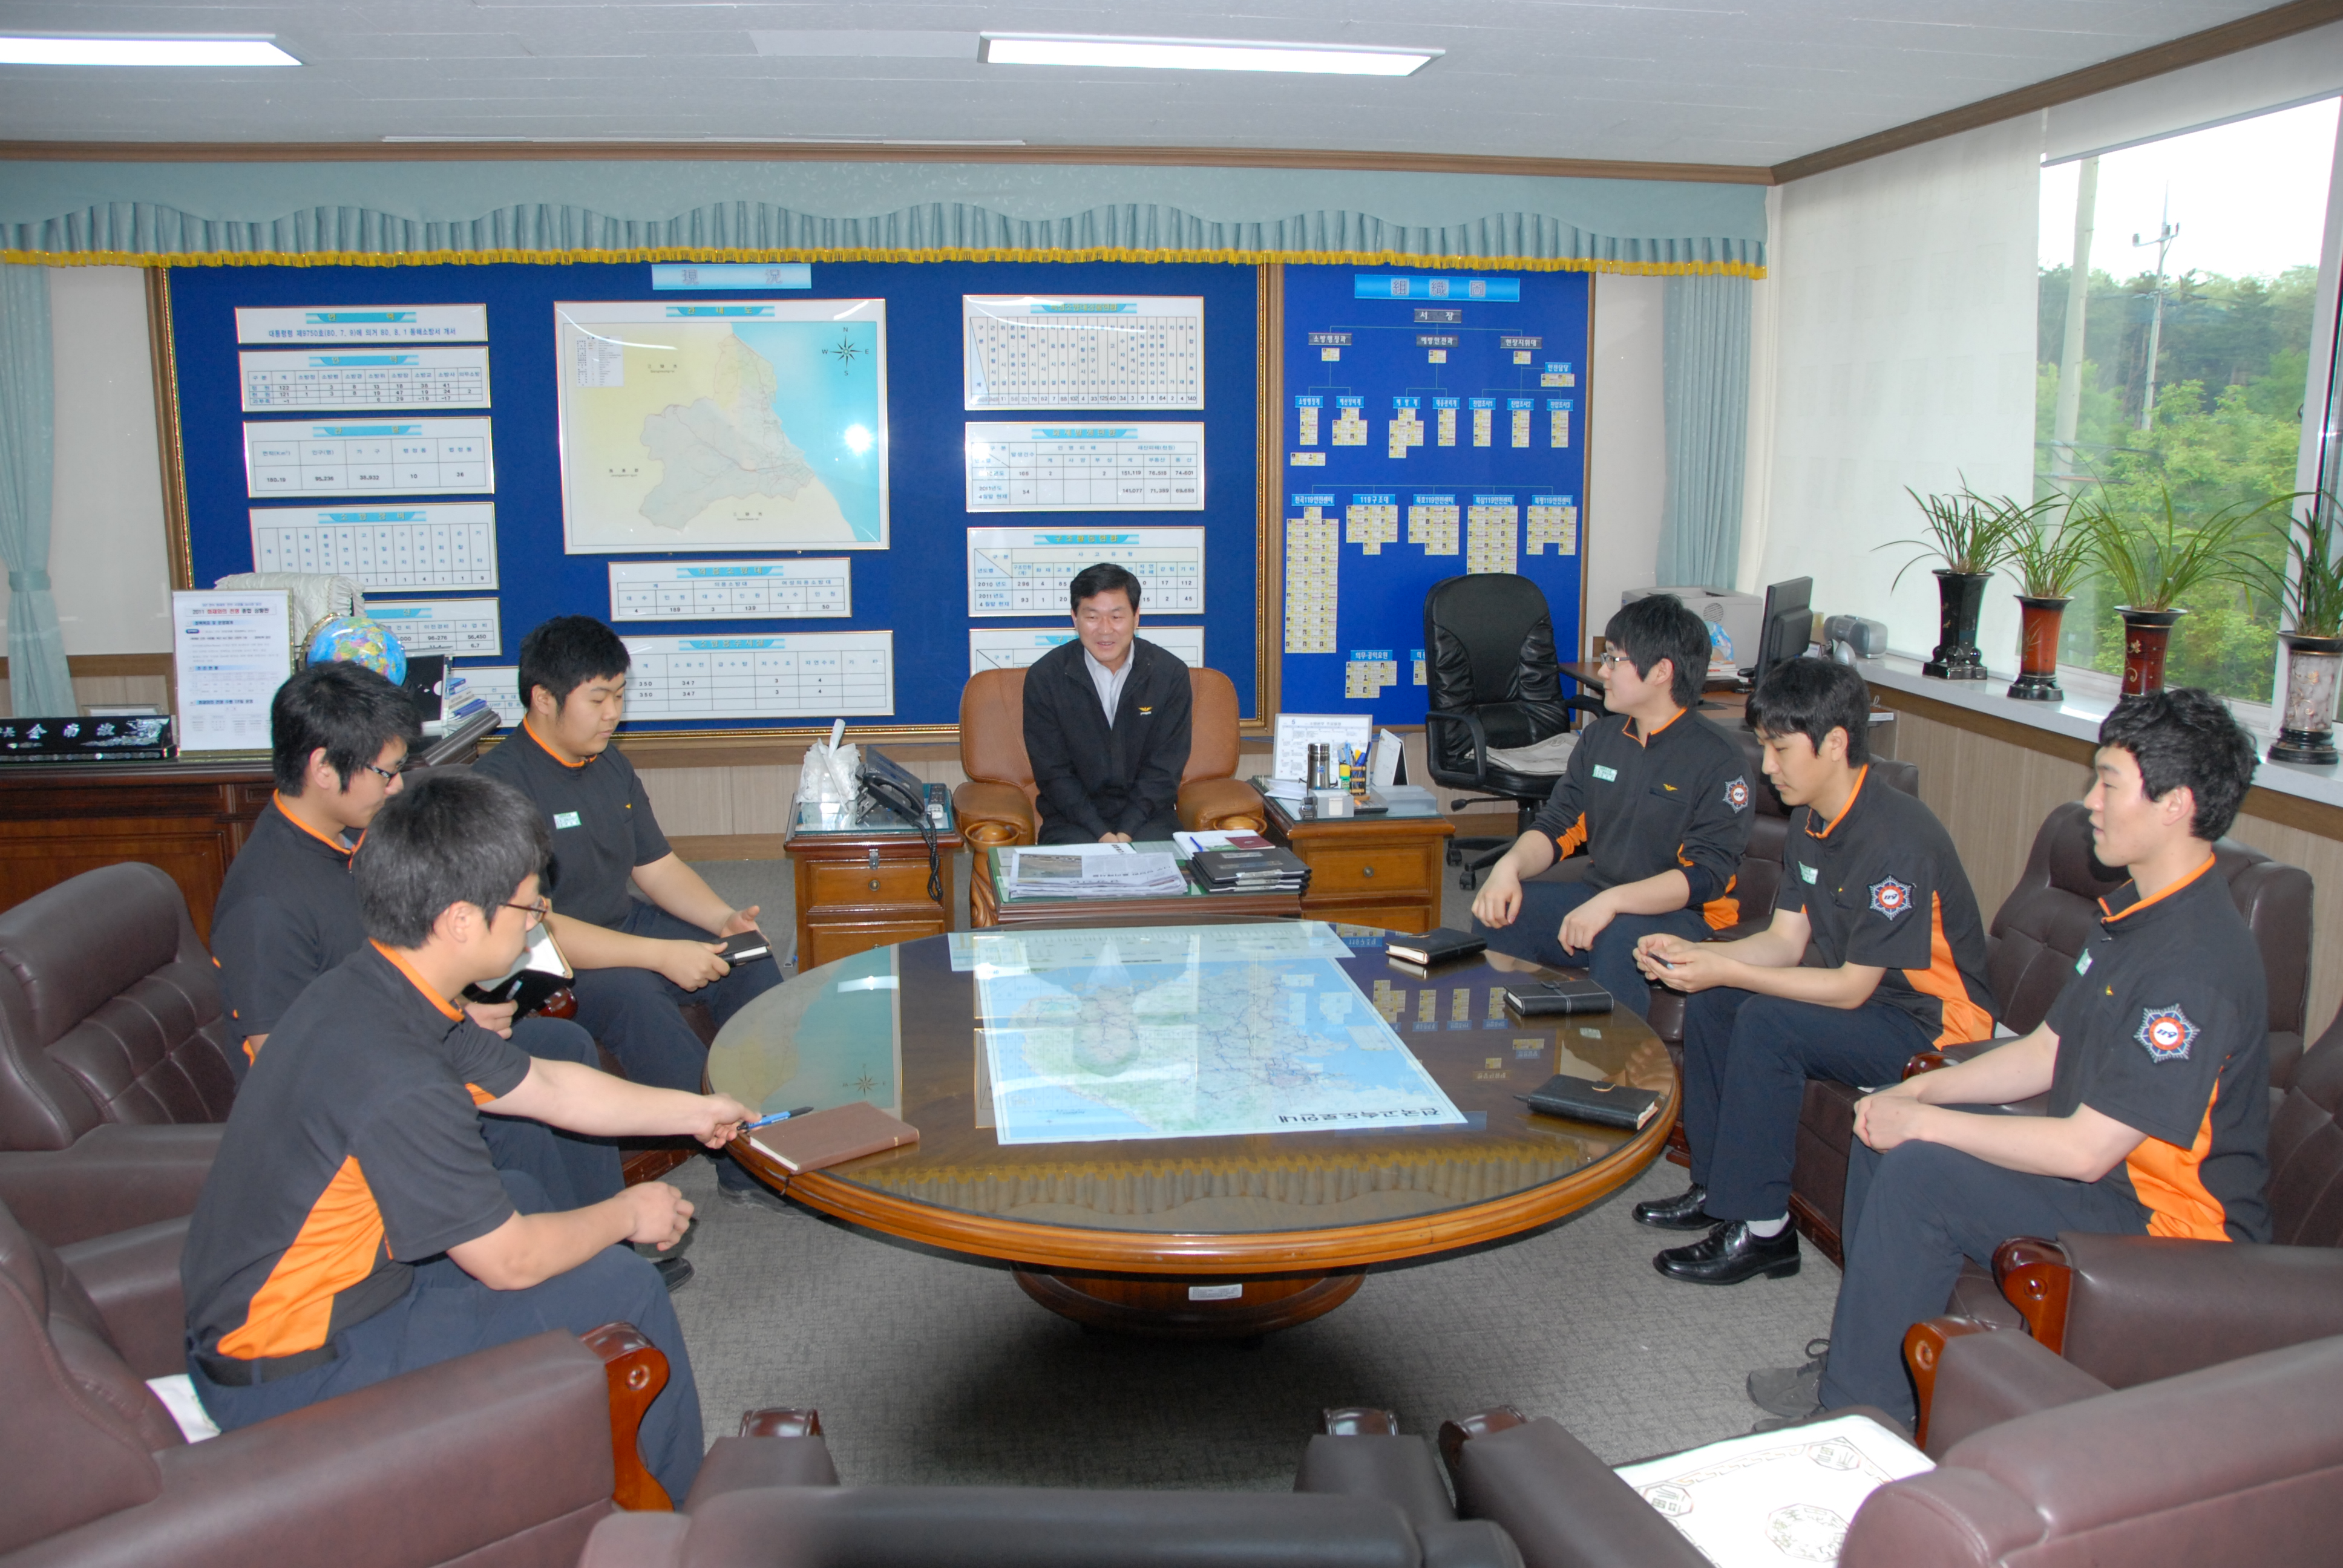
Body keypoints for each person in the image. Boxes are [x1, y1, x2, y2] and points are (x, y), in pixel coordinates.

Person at [181, 773, 753, 1501]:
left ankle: (577, 1454)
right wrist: (626, 1215)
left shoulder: (377, 987)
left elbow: (547, 1087)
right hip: (296, 1364)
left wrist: (692, 1111)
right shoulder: (399, 1075)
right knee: (624, 1284)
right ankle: (678, 1519)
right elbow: (508, 1261)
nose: (537, 925)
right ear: (459, 920)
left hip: (315, 1297)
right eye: (528, 907)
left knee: (519, 1191)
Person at [1766, 688, 2270, 1429]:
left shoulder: (2193, 968)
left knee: (1920, 1169)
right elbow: (2042, 1052)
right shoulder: (2133, 914)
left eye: (2108, 783)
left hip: (2169, 1230)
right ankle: (1866, 1362)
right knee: (1887, 1127)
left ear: (2174, 804)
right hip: (2110, 1183)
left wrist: (1926, 1126)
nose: (2088, 802)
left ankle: (1856, 1418)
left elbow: (2085, 1150)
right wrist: (1918, 1097)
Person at [211, 662, 649, 1266]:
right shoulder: (267, 903)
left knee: (562, 1045)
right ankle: (561, 1253)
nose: (396, 789)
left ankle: (603, 1240)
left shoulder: (355, 837)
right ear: (323, 769)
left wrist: (457, 1009)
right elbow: (288, 1062)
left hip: (415, 1040)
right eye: (385, 772)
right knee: (521, 1099)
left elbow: (402, 965)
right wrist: (447, 1028)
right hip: (356, 1104)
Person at [1630, 657, 1996, 1285]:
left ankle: (1764, 1231)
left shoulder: (1895, 840)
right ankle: (1718, 1189)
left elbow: (1849, 988)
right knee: (1717, 999)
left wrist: (1723, 968)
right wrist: (1699, 957)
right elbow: (1782, 942)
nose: (1766, 767)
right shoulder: (1810, 818)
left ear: (1834, 743)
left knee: (1765, 1021)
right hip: (1876, 1000)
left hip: (1936, 1029)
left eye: (1778, 749)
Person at [473, 617, 782, 1202]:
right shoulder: (498, 788)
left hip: (624, 922)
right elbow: (532, 922)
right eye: (598, 699)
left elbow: (656, 866)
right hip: (549, 955)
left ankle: (777, 1117)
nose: (613, 713)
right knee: (637, 999)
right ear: (543, 698)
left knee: (750, 958)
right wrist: (661, 955)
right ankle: (742, 1163)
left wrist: (722, 921)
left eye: (619, 695)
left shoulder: (608, 762)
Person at [1468, 593, 1754, 1020]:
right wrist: (1507, 868)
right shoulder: (1601, 739)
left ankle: (1615, 1059)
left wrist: (1614, 902)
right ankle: (1516, 1039)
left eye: (1614, 660)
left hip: (1686, 914)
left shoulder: (1718, 759)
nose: (1602, 672)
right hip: (1603, 894)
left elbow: (1705, 876)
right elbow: (1559, 825)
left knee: (1621, 938)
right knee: (1502, 912)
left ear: (1661, 671)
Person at [1023, 561, 1193, 844]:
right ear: (1074, 618)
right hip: (1072, 820)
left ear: (1136, 617)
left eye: (1116, 617)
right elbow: (1053, 773)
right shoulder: (1045, 677)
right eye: (1092, 617)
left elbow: (1165, 769)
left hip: (1149, 818)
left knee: (1160, 870)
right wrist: (1102, 835)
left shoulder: (1169, 674)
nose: (1105, 630)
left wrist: (1126, 832)